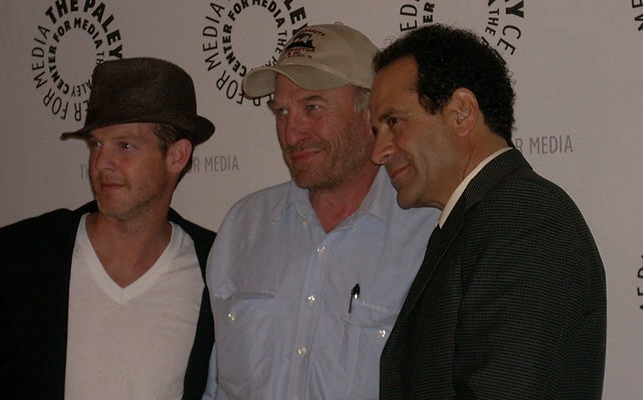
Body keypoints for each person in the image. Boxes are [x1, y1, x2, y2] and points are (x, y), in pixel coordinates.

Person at [203, 23, 440, 399]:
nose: (290, 133)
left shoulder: (429, 233)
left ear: (371, 114)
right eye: (280, 111)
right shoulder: (243, 227)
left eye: (312, 107)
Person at [370, 24, 607, 399]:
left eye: (394, 122)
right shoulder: (487, 220)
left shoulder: (526, 219)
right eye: (376, 130)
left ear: (462, 112)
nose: (378, 151)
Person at [0, 57, 216, 399]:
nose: (101, 163)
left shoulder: (217, 269)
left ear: (177, 156)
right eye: (96, 144)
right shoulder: (19, 258)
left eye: (125, 146)